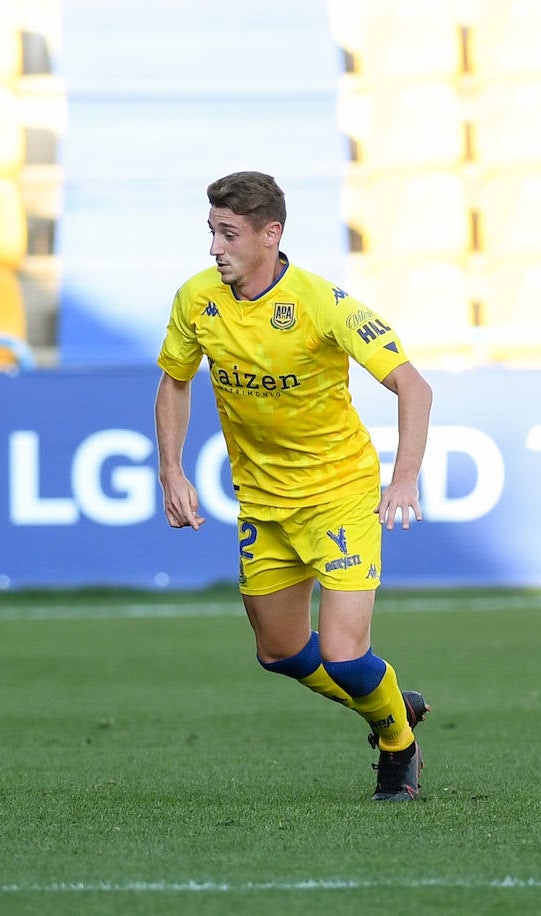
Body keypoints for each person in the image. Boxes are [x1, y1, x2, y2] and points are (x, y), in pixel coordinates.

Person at [153, 171, 435, 802]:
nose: (214, 247)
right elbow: (175, 380)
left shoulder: (322, 303)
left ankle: (397, 745)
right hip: (261, 501)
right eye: (211, 232)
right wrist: (171, 468)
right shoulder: (196, 299)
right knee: (279, 651)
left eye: (228, 234)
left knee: (342, 654)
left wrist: (403, 480)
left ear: (269, 234)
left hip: (338, 492)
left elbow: (414, 386)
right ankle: (391, 705)